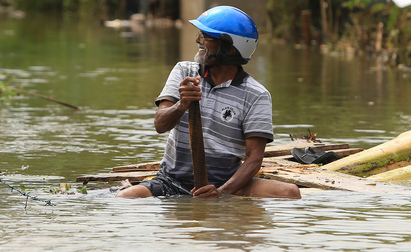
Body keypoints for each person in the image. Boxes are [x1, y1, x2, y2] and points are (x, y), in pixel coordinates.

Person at [117, 6, 301, 199]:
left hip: (226, 183)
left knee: (290, 193)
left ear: (230, 48)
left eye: (206, 37)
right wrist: (182, 104)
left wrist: (221, 192)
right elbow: (160, 125)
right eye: (200, 35)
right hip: (171, 181)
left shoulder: (256, 95)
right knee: (125, 198)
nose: (198, 40)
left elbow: (254, 159)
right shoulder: (184, 71)